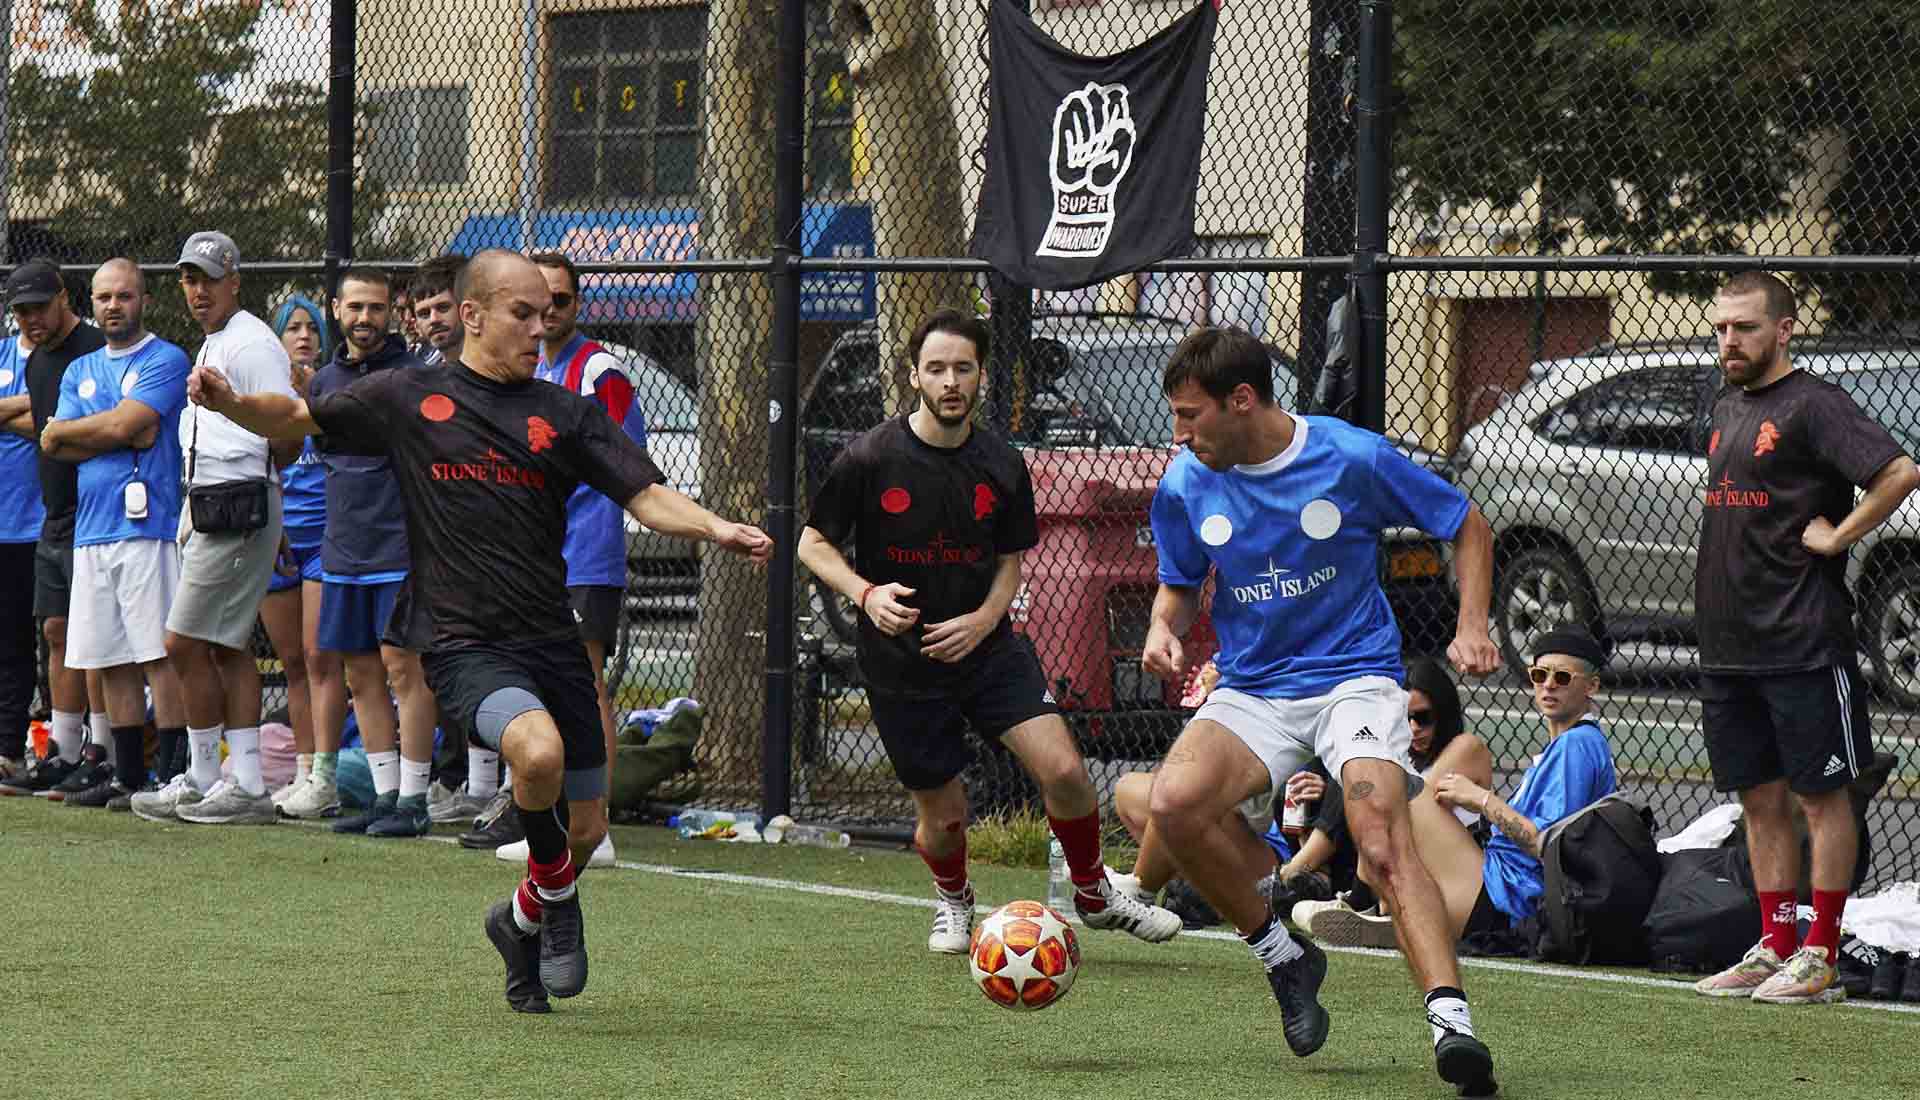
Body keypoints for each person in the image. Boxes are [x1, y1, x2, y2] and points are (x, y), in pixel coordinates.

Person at [187, 248, 772, 1012]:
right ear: (472, 315)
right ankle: (558, 904)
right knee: (538, 753)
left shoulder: (564, 413)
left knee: (587, 827)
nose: (542, 326)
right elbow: (294, 417)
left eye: (550, 311)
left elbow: (647, 493)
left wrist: (717, 528)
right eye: (523, 313)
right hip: (463, 643)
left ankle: (520, 917)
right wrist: (232, 405)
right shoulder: (407, 395)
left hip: (551, 642)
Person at [1137, 326, 1500, 1094]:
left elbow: (1466, 524)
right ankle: (1283, 955)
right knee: (1172, 804)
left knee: (1378, 833)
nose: (1178, 432)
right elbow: (1179, 581)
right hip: (1254, 689)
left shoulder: (1350, 456)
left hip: (1354, 680)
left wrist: (1472, 623)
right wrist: (1163, 628)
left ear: (1242, 401)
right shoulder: (1185, 483)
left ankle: (1451, 1025)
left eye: (1190, 414)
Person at [796, 308, 1181, 955]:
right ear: (914, 375)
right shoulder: (869, 457)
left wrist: (982, 620)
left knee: (1063, 770)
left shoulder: (1001, 462)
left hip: (988, 650)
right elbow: (812, 543)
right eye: (937, 368)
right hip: (902, 662)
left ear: (980, 376)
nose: (950, 381)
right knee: (943, 819)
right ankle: (954, 899)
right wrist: (865, 594)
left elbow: (1010, 562)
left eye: (963, 369)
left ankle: (1093, 892)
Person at [1691, 271, 1920, 1005]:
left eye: (1746, 327)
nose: (1730, 340)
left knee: (1823, 799)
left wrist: (1839, 535)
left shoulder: (1816, 403)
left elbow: (1899, 471)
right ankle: (1777, 943)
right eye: (1722, 327)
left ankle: (1820, 955)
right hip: (1727, 649)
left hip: (1802, 640)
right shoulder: (1725, 405)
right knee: (1759, 799)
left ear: (1783, 329)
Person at [478, 250, 646, 860]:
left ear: (578, 304)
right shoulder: (532, 372)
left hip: (586, 551)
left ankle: (591, 825)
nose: (546, 313)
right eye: (533, 303)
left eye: (560, 301)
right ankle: (544, 817)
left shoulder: (599, 370)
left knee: (586, 680)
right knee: (540, 681)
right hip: (539, 554)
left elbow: (617, 459)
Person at [1295, 630, 1615, 948]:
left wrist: (1480, 800)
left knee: (1391, 784)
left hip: (1505, 902)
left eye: (1562, 677)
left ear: (1591, 686)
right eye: (1539, 674)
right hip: (1496, 889)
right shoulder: (1567, 745)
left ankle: (1362, 901)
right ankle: (1378, 907)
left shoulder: (1578, 745)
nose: (1548, 685)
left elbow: (1542, 843)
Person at [130, 232, 301, 825]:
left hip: (236, 502)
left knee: (183, 642)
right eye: (188, 279)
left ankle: (225, 779)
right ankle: (230, 779)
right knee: (224, 646)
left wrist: (264, 498)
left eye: (207, 278)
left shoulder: (252, 342)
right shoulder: (217, 342)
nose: (197, 290)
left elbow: (290, 429)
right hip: (215, 501)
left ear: (235, 279)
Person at [38, 260, 194, 808]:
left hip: (146, 528)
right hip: (91, 531)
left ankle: (172, 775)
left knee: (157, 653)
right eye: (103, 296)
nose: (112, 305)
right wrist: (115, 430)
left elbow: (130, 425)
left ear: (143, 300)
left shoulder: (166, 358)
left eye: (124, 295)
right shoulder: (80, 367)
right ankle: (128, 778)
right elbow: (55, 442)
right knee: (109, 658)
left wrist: (101, 429)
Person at [297, 266, 444, 838]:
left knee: (404, 669)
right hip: (344, 549)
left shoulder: (415, 376)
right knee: (360, 674)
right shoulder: (323, 382)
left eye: (376, 308)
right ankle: (385, 798)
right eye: (355, 307)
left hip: (400, 547)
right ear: (337, 308)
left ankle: (414, 799)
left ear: (393, 312)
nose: (365, 318)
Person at [1276, 656, 1495, 918]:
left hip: (1440, 873)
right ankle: (1317, 878)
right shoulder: (1399, 754)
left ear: (1444, 713)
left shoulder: (1466, 748)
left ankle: (1297, 873)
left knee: (1363, 775)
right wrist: (1323, 794)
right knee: (1312, 777)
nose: (1413, 728)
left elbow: (1406, 801)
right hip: (1382, 862)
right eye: (1405, 718)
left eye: (1423, 718)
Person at [0, 259, 107, 794]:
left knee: (99, 640)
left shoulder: (91, 350)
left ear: (65, 297)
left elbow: (72, 430)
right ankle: (62, 752)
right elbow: (46, 427)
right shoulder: (37, 359)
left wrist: (49, 432)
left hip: (97, 512)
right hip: (54, 516)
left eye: (39, 306)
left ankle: (108, 751)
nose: (30, 319)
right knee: (55, 632)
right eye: (21, 310)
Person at [261, 295, 348, 818]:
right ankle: (302, 769)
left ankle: (326, 776)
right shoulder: (264, 395)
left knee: (321, 658)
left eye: (311, 327)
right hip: (279, 538)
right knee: (292, 662)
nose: (302, 335)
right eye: (291, 328)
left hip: (326, 542)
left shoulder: (335, 388)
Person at [0, 323, 43, 780]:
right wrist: (33, 404)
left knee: (60, 639)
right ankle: (8, 750)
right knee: (8, 644)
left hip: (45, 525)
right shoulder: (2, 354)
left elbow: (59, 420)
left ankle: (67, 748)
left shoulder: (63, 356)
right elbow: (45, 411)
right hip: (3, 529)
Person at [409, 254, 465, 367]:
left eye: (443, 308)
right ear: (416, 325)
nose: (434, 319)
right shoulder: (417, 374)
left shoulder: (501, 370)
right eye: (424, 314)